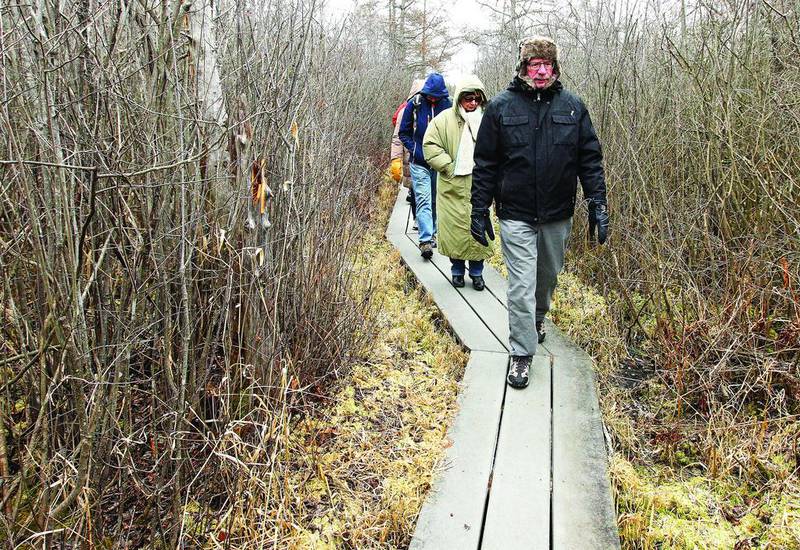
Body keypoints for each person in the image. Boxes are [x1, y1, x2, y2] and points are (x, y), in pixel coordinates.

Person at [470, 36, 610, 389]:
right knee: (520, 285)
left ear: (556, 67)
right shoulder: (500, 107)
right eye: (535, 65)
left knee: (545, 279)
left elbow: (590, 159)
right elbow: (485, 163)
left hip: (557, 214)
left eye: (548, 65)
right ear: (524, 68)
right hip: (516, 213)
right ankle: (520, 353)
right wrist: (478, 208)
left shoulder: (573, 108)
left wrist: (598, 203)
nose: (542, 71)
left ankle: (536, 320)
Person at [422, 75, 493, 290]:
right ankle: (457, 271)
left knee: (479, 232)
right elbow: (430, 145)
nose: (472, 103)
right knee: (454, 232)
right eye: (468, 98)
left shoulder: (488, 120)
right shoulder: (444, 120)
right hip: (451, 188)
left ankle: (478, 273)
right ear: (459, 99)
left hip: (479, 187)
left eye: (477, 99)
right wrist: (449, 167)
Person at [399, 72, 452, 259]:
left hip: (440, 162)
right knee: (423, 199)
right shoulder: (415, 104)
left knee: (436, 200)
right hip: (418, 162)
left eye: (436, 96)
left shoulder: (449, 105)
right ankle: (426, 240)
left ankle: (434, 232)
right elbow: (403, 133)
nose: (432, 98)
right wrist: (415, 150)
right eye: (430, 94)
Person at [390, 79, 425, 227]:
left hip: (427, 157)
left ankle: (426, 221)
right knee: (415, 190)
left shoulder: (432, 109)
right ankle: (417, 219)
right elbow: (398, 137)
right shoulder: (406, 111)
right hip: (409, 156)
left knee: (424, 191)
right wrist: (395, 160)